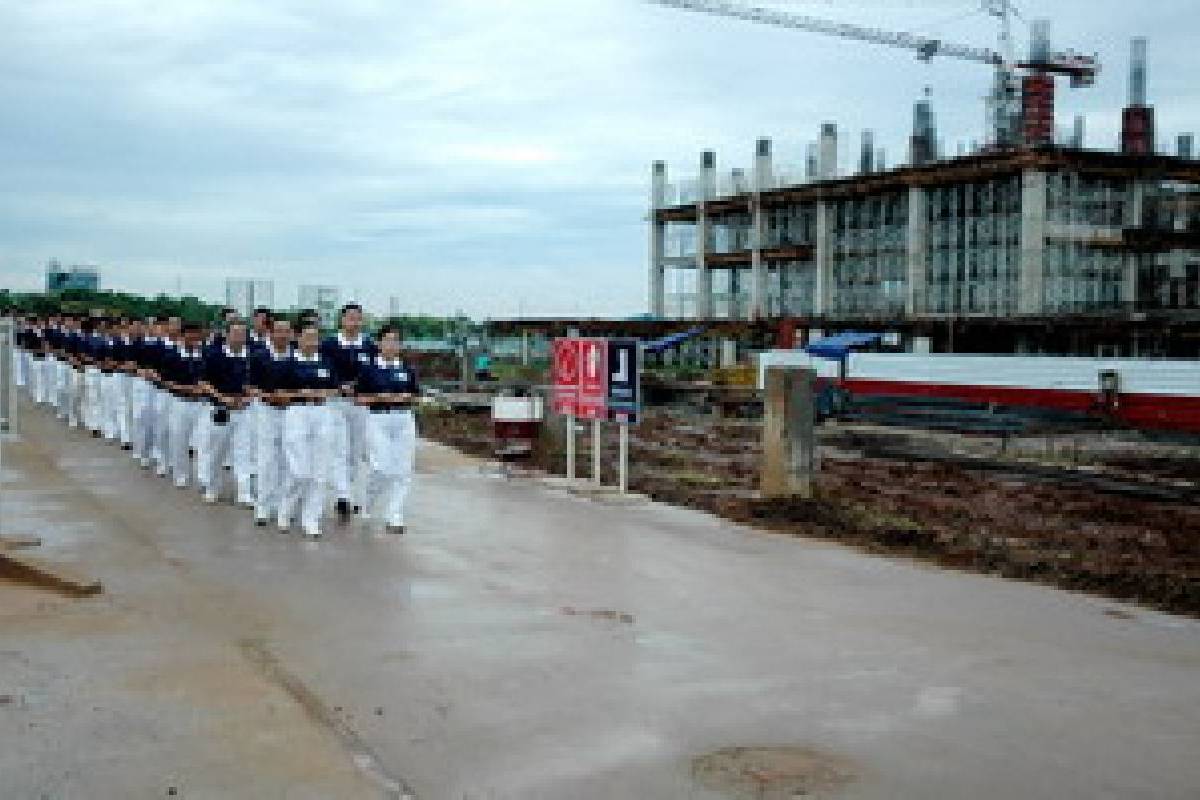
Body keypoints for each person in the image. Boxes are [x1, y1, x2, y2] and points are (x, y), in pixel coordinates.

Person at [276, 322, 339, 538]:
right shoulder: (289, 363)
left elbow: (334, 387)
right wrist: (300, 393)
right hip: (297, 413)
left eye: (315, 337)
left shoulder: (325, 362)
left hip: (322, 413)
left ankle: (311, 518)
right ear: (298, 338)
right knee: (299, 470)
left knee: (320, 471)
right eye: (308, 337)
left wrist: (322, 393)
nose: (312, 341)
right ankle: (286, 509)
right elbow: (279, 394)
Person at [354, 325, 419, 534]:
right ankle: (368, 501)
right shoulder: (370, 370)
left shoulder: (406, 369)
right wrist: (379, 397)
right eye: (388, 340)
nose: (392, 345)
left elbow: (415, 394)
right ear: (380, 343)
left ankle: (394, 515)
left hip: (403, 419)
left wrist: (406, 398)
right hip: (378, 418)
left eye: (396, 341)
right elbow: (359, 398)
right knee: (381, 467)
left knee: (403, 469)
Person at [320, 303, 377, 522]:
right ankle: (343, 495)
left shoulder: (369, 346)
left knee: (355, 451)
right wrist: (339, 385)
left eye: (357, 318)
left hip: (360, 404)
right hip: (336, 403)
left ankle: (348, 490)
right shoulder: (330, 345)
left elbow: (373, 371)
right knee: (339, 449)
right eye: (349, 317)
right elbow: (324, 368)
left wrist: (360, 387)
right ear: (342, 320)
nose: (353, 321)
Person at [196, 321, 254, 505]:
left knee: (243, 453)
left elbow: (257, 383)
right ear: (227, 334)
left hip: (244, 411)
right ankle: (213, 487)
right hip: (220, 410)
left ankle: (244, 492)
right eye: (235, 333)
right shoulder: (214, 355)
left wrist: (248, 398)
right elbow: (203, 382)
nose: (239, 337)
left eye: (242, 334)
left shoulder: (251, 356)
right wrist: (222, 397)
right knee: (216, 452)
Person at [250, 318, 293, 526]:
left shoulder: (295, 357)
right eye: (279, 331)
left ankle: (283, 505)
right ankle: (263, 507)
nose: (283, 335)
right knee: (266, 460)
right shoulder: (259, 356)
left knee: (288, 460)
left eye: (286, 331)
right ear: (271, 333)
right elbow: (250, 386)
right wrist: (267, 396)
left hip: (291, 413)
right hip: (267, 411)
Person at [160, 322, 207, 489]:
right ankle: (181, 475)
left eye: (197, 335)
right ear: (183, 336)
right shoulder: (172, 355)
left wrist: (202, 388)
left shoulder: (204, 355)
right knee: (179, 439)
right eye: (190, 335)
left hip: (201, 403)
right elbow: (165, 381)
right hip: (179, 402)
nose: (194, 339)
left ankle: (203, 477)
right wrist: (185, 388)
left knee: (202, 441)